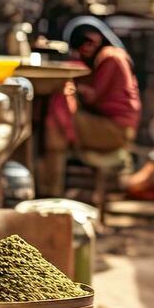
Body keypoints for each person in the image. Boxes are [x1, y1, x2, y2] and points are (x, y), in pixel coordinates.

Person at [42, 19, 142, 197]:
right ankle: (52, 186)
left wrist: (75, 87)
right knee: (60, 113)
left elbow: (95, 97)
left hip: (116, 130)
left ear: (93, 41)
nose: (82, 54)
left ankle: (51, 191)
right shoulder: (110, 56)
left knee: (57, 116)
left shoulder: (111, 57)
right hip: (111, 125)